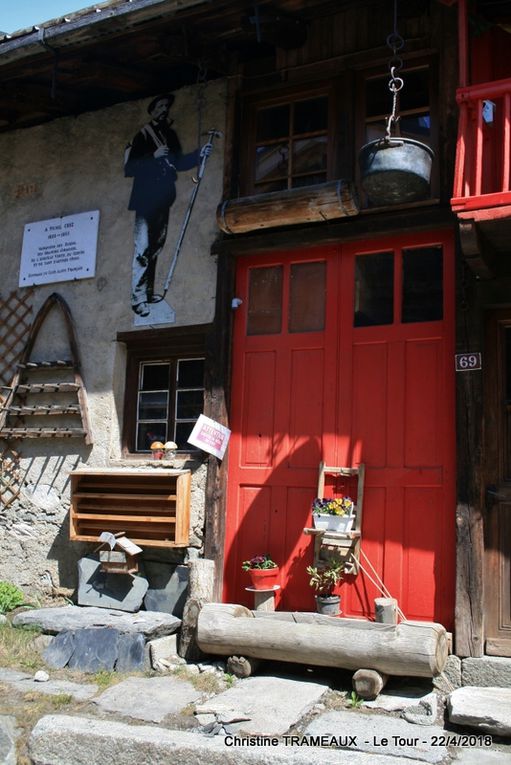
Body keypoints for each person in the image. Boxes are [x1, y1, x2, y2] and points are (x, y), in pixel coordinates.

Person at [125, 94, 200, 316]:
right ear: (152, 110)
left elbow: (179, 162)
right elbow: (130, 168)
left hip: (164, 197)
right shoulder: (143, 136)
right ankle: (138, 298)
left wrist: (199, 155)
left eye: (166, 106)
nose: (164, 109)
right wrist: (154, 156)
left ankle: (148, 293)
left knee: (156, 247)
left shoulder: (170, 135)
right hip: (144, 199)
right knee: (143, 249)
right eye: (160, 106)